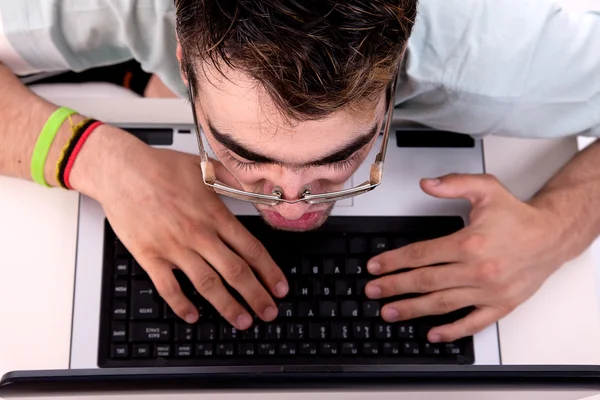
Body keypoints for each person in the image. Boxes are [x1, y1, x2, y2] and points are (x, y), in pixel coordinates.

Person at [0, 0, 598, 345]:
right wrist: (93, 156)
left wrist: (559, 227)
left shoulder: (531, 43)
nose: (291, 208)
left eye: (338, 158)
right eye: (246, 155)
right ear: (184, 55)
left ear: (394, 77)